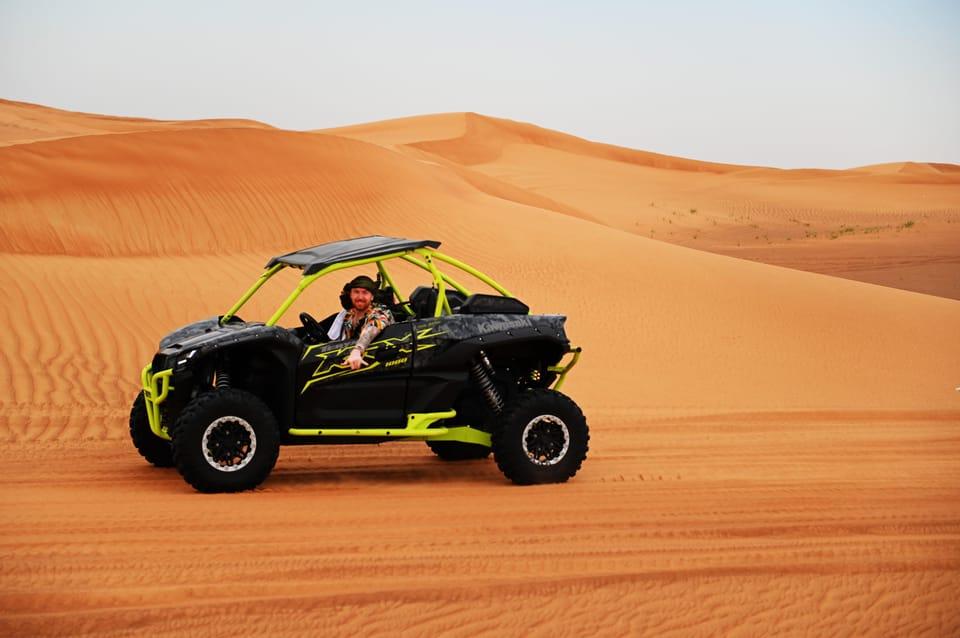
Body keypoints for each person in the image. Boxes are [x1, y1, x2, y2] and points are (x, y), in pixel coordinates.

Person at [338, 275, 394, 370]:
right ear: (350, 295)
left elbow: (374, 325)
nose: (360, 297)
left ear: (372, 297)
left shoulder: (380, 312)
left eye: (365, 293)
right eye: (356, 292)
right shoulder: (348, 315)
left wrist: (357, 350)